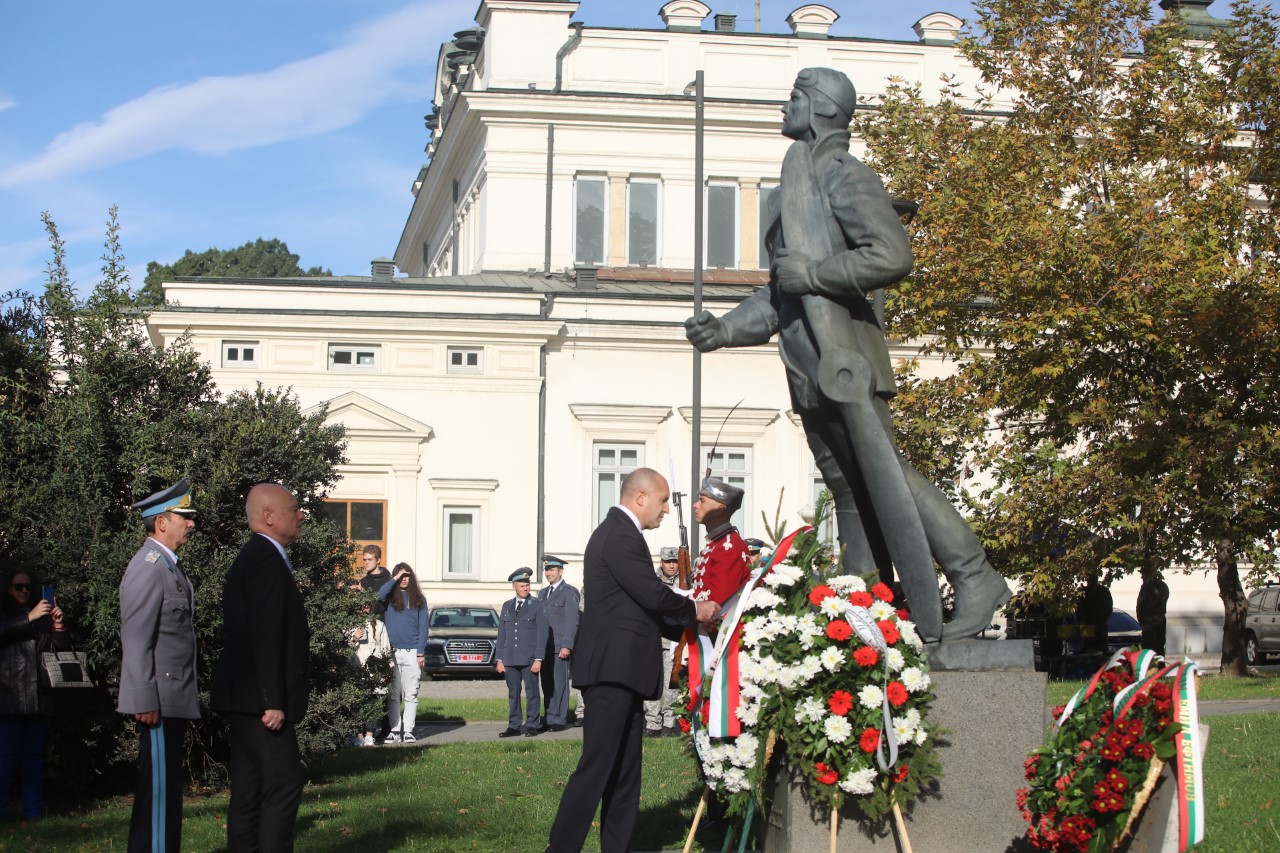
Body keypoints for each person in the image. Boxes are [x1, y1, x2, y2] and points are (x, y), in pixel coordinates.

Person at [684, 66, 1011, 644]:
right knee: (848, 487)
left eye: (795, 98)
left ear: (823, 109)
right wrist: (726, 330)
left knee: (888, 476)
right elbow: (782, 293)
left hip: (845, 359)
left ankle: (974, 575)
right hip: (807, 365)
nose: (786, 107)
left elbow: (890, 255)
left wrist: (817, 271)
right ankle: (864, 597)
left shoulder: (845, 176)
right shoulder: (798, 184)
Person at [546, 468, 718, 853]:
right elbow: (651, 593)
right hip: (612, 671)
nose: (664, 511)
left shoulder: (622, 535)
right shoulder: (620, 535)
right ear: (640, 497)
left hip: (623, 671)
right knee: (596, 770)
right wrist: (695, 609)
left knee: (625, 775)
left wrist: (691, 631)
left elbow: (641, 606)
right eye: (662, 502)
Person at [211, 483, 310, 853]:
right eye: (295, 508)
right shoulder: (265, 560)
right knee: (285, 783)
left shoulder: (258, 556)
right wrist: (272, 699)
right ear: (269, 516)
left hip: (247, 696)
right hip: (259, 700)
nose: (301, 515)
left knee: (249, 789)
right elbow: (265, 634)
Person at [117, 478, 200, 852]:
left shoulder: (168, 567)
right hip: (159, 699)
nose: (191, 523)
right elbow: (136, 639)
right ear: (161, 522)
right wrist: (143, 697)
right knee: (159, 795)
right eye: (184, 516)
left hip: (171, 696)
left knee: (164, 793)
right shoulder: (148, 566)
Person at [686, 477, 753, 738]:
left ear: (721, 508)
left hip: (718, 642)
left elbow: (716, 603)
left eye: (702, 500)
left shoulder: (729, 546)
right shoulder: (716, 543)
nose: (695, 505)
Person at [0, 561, 68, 821]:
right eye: (18, 586)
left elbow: (60, 653)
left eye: (29, 587)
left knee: (34, 760)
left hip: (40, 696)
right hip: (9, 697)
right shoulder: (7, 614)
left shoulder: (42, 615)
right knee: (5, 761)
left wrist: (59, 627)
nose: (24, 591)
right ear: (8, 588)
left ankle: (33, 814)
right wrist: (27, 618)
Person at [379, 563, 429, 743]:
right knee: (393, 694)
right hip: (392, 652)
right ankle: (394, 730)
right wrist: (394, 578)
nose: (404, 579)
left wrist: (421, 652)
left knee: (411, 693)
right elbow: (380, 594)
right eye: (401, 576)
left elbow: (424, 626)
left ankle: (408, 730)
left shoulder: (419, 599)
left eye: (407, 575)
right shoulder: (390, 598)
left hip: (412, 652)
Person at [495, 567, 547, 738]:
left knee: (532, 692)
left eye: (527, 585)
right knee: (513, 693)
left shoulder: (537, 605)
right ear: (514, 586)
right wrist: (499, 659)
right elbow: (502, 633)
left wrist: (538, 658)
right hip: (510, 658)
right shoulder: (507, 606)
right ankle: (514, 725)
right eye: (522, 585)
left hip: (529, 658)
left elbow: (542, 634)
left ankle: (532, 724)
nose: (526, 588)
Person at [643, 546, 684, 738]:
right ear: (661, 562)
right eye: (668, 562)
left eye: (675, 561)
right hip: (652, 640)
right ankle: (652, 722)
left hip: (674, 642)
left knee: (672, 683)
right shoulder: (651, 581)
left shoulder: (685, 582)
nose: (671, 565)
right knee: (650, 681)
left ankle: (669, 720)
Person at [354, 544, 391, 746]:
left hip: (382, 632)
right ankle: (365, 730)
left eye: (368, 559)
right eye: (364, 559)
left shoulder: (387, 580)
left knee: (383, 689)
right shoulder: (364, 581)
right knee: (367, 689)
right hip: (365, 638)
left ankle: (385, 728)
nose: (365, 562)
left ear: (378, 559)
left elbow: (382, 605)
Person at [538, 554, 579, 733]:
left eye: (551, 569)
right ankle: (549, 715)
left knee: (559, 684)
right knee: (546, 684)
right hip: (544, 646)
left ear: (560, 571)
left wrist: (567, 645)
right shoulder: (542, 593)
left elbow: (572, 621)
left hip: (559, 646)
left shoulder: (569, 592)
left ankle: (559, 719)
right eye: (546, 569)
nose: (548, 573)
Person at [1137, 568, 1170, 656]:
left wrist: (1141, 620)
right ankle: (1160, 666)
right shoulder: (1163, 586)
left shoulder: (1147, 587)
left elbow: (1141, 606)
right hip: (1160, 620)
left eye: (1143, 574)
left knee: (1149, 648)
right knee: (1159, 648)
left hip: (1150, 621)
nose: (1142, 577)